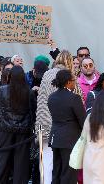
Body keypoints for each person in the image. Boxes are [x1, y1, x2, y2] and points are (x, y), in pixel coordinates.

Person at [35, 50, 83, 184]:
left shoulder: (46, 75)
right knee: (64, 167)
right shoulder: (68, 78)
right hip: (64, 130)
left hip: (42, 124)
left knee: (46, 164)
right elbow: (76, 101)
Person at [0, 66, 36, 184]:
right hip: (23, 131)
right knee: (21, 163)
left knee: (3, 160)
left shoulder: (2, 90)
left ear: (9, 76)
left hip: (5, 130)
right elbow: (33, 112)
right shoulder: (29, 92)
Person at [48, 69, 86, 184]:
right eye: (74, 80)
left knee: (57, 170)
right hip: (70, 139)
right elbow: (83, 120)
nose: (75, 83)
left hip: (55, 137)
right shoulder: (74, 98)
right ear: (68, 82)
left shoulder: (51, 97)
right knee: (69, 173)